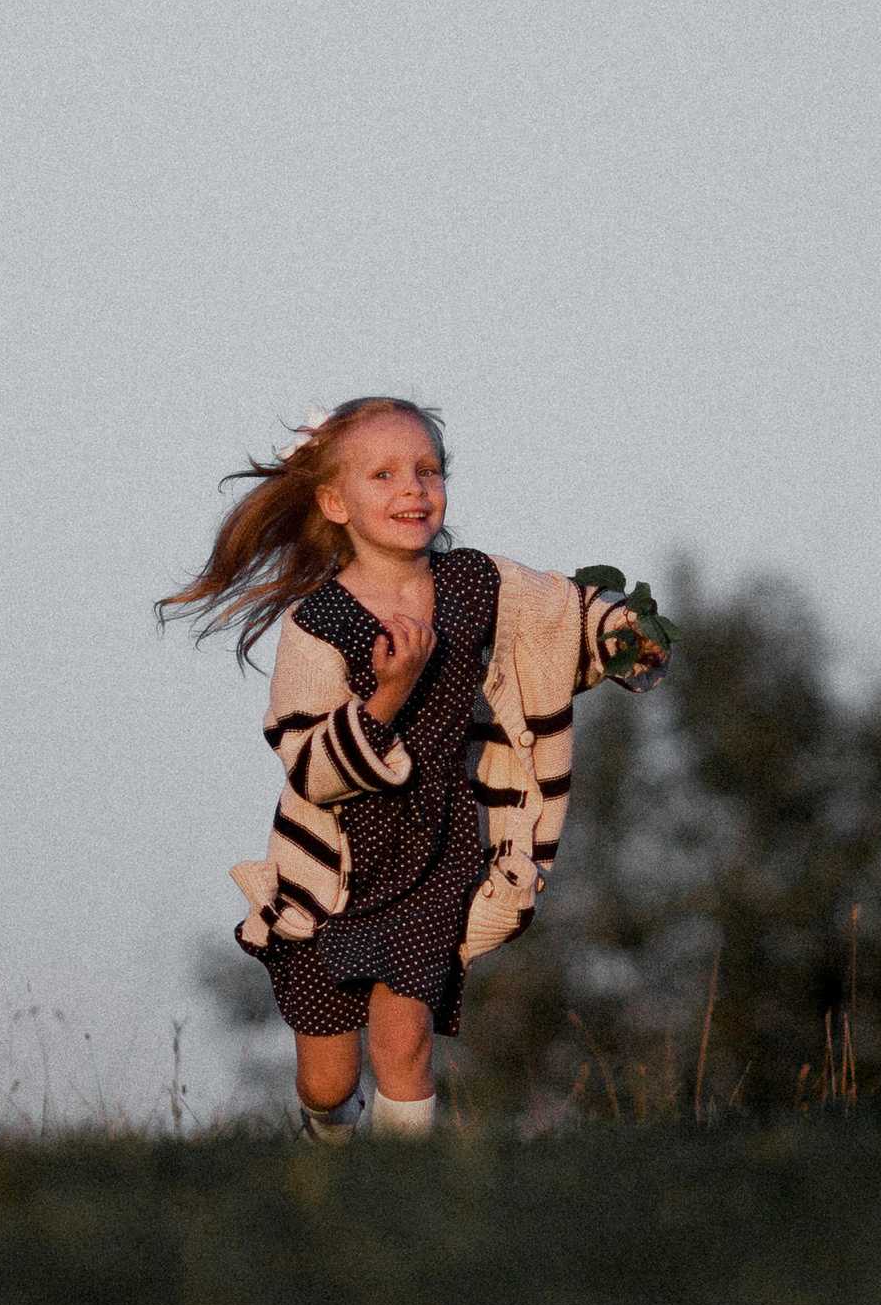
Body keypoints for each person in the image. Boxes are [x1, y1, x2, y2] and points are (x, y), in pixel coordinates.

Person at [160, 399, 669, 1136]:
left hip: (434, 851)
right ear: (335, 503)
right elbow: (310, 767)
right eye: (384, 474)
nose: (413, 488)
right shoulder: (319, 624)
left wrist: (621, 630)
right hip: (333, 866)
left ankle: (405, 1186)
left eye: (428, 470)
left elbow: (560, 613)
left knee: (405, 1038)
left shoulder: (476, 584)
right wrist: (390, 693)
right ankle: (329, 1147)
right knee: (327, 1079)